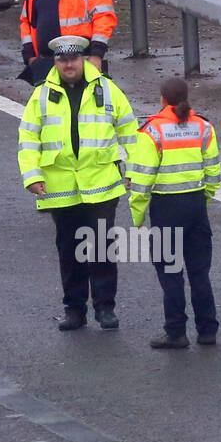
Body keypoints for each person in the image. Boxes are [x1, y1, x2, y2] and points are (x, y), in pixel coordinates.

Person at [18, 35, 139, 331]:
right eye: (62, 60)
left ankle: (105, 307)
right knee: (69, 250)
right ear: (55, 62)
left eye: (73, 59)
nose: (68, 64)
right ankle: (74, 309)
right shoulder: (41, 95)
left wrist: (135, 170)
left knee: (100, 248)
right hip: (60, 188)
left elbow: (130, 132)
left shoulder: (108, 90)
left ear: (83, 59)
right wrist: (31, 176)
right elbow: (28, 138)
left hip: (101, 184)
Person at [128, 77, 221, 349]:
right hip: (195, 206)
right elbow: (213, 171)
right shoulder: (203, 127)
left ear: (162, 99)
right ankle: (207, 330)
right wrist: (204, 198)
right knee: (199, 272)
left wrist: (137, 216)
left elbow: (142, 180)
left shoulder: (152, 131)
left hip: (166, 208)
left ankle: (176, 332)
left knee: (171, 274)